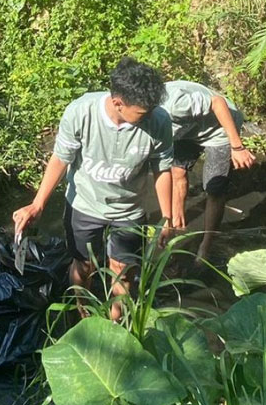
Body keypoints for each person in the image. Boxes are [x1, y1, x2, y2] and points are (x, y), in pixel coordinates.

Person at [12, 57, 174, 321]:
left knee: (123, 269)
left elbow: (162, 169)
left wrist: (167, 217)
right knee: (83, 264)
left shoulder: (158, 121)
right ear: (118, 103)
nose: (149, 117)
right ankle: (83, 312)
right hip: (85, 203)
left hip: (129, 208)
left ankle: (115, 321)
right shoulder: (81, 112)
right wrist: (38, 203)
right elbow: (60, 159)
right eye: (142, 113)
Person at [160, 80, 255, 263]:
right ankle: (175, 223)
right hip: (187, 130)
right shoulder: (143, 117)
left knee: (214, 188)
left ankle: (206, 245)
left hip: (218, 130)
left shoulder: (173, 104)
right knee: (177, 171)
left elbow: (217, 102)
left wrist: (237, 147)